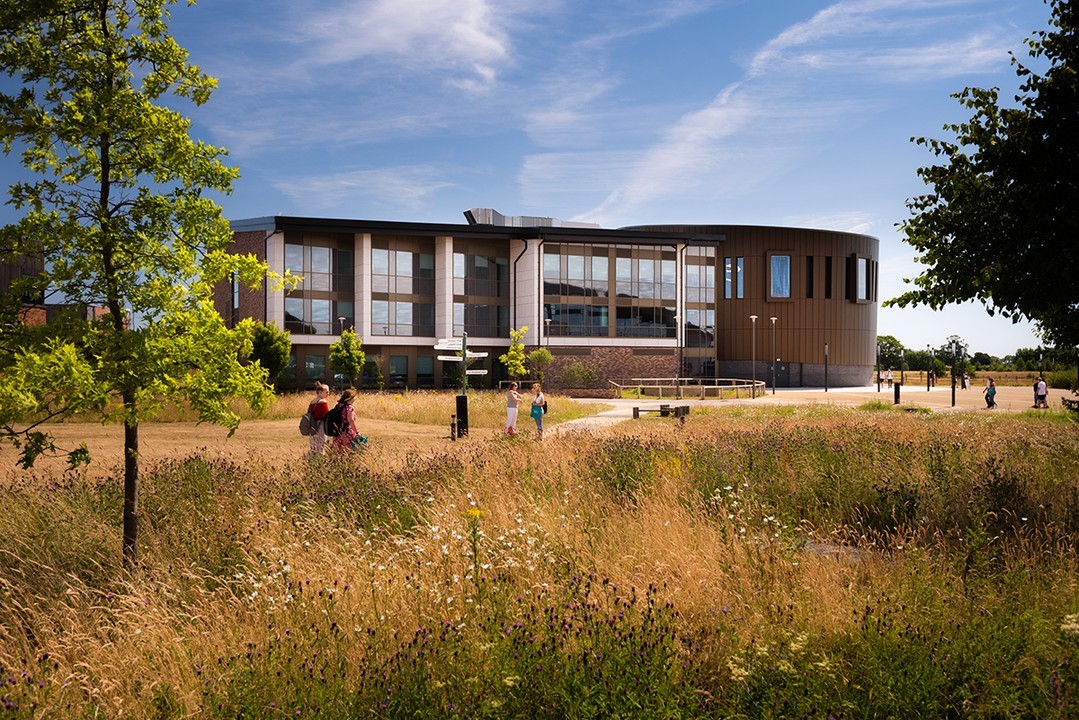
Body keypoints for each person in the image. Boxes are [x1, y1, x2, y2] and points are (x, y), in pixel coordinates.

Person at [308, 382, 331, 453]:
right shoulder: (323, 402)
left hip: (312, 424)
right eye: (326, 392)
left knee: (313, 444)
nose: (328, 393)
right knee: (321, 443)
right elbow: (326, 415)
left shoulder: (312, 402)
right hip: (321, 424)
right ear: (320, 392)